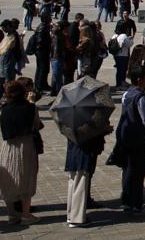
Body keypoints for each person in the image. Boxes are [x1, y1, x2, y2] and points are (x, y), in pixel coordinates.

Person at [63, 65, 112, 228]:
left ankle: (72, 214)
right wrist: (104, 129)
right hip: (83, 151)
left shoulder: (68, 111)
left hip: (74, 151)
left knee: (74, 182)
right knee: (80, 183)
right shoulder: (86, 113)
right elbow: (90, 133)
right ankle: (77, 218)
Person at [0, 80, 42, 225]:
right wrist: (32, 104)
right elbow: (36, 125)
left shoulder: (5, 109)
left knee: (8, 178)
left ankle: (12, 214)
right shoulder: (30, 108)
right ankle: (26, 214)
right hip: (25, 144)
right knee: (26, 177)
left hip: (8, 146)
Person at [117, 66, 145, 214]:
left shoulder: (127, 94)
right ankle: (137, 203)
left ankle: (127, 201)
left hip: (127, 135)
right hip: (139, 138)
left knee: (128, 170)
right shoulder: (141, 97)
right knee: (139, 172)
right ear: (140, 80)